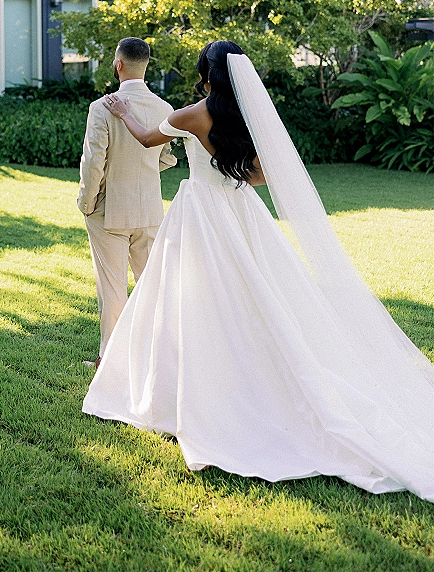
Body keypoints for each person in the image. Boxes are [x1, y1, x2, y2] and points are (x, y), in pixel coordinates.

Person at [83, 40, 434, 502]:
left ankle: (188, 393)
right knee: (255, 296)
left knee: (188, 301)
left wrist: (124, 113)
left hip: (200, 214)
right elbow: (262, 174)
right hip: (239, 209)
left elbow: (149, 139)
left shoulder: (193, 114)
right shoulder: (245, 114)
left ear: (206, 74)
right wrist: (232, 172)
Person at [78, 37, 177, 366]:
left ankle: (110, 360)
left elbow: (94, 162)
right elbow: (166, 157)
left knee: (112, 287)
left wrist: (86, 202)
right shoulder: (165, 109)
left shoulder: (101, 107)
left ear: (118, 64)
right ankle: (157, 355)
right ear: (146, 66)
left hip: (109, 210)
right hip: (150, 209)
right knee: (151, 285)